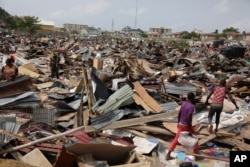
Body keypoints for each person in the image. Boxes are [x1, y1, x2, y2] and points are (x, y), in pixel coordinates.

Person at [166, 92, 199, 160]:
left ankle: (168, 154)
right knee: (195, 138)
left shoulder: (184, 103)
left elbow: (179, 113)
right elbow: (189, 119)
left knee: (176, 139)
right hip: (186, 126)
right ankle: (196, 154)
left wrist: (178, 122)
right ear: (193, 98)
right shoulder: (191, 107)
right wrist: (190, 130)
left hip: (181, 124)